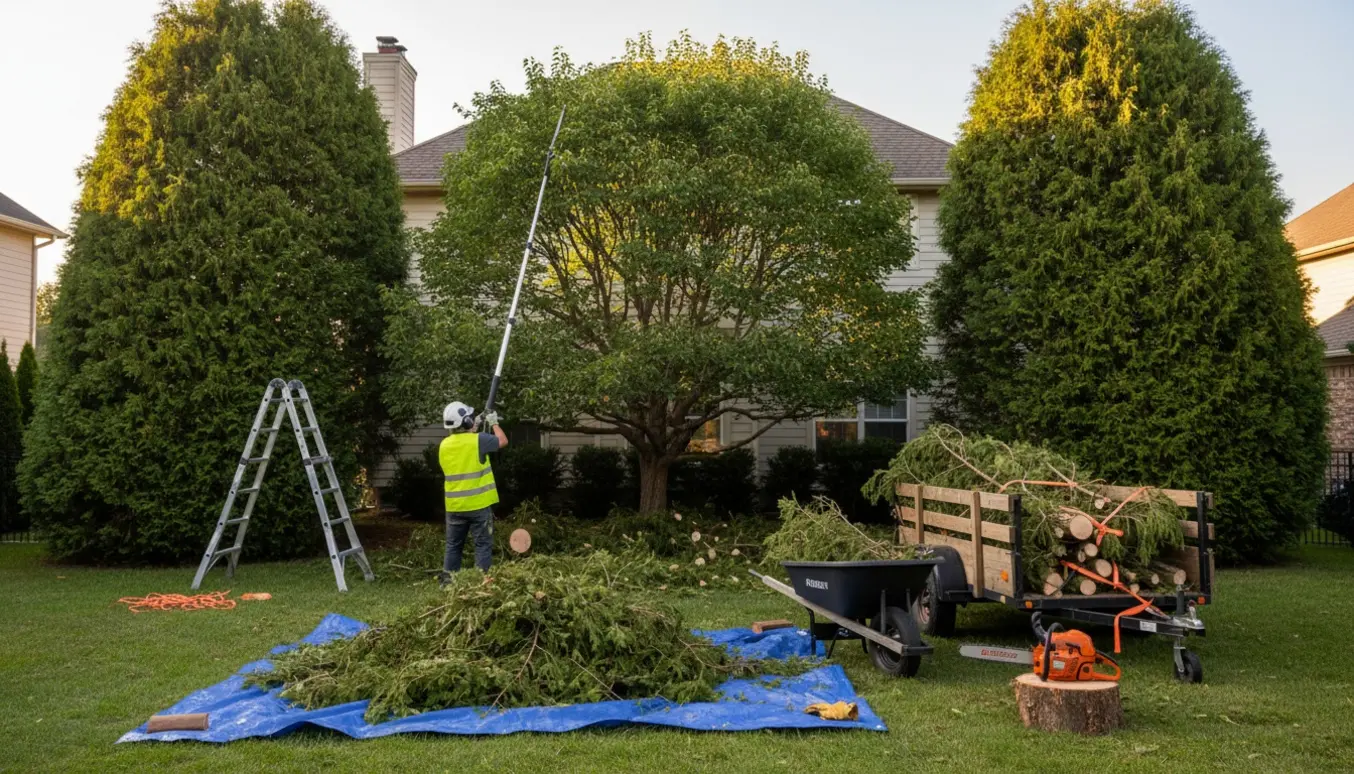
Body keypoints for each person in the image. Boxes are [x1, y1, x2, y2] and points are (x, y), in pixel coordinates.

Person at [439, 400, 508, 579]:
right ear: (467, 422)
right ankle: (480, 584)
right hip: (478, 505)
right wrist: (494, 423)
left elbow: (464, 443)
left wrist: (475, 424)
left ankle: (448, 584)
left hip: (454, 507)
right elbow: (502, 441)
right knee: (482, 545)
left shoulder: (444, 445)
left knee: (453, 546)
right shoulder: (479, 440)